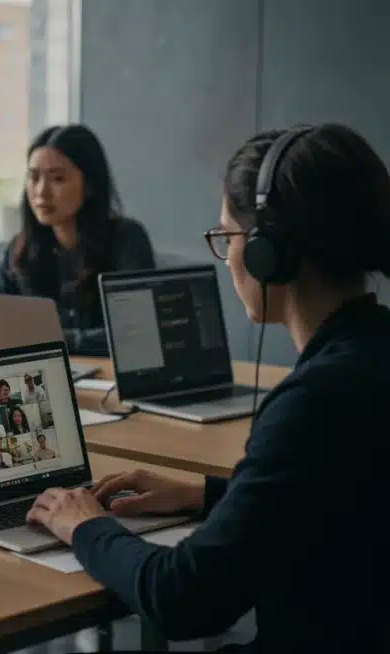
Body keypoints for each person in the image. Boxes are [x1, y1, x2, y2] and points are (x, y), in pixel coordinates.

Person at [25, 124, 390, 652]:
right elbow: (337, 497)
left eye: (227, 237)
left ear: (269, 252)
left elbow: (187, 597)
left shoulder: (314, 401)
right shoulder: (371, 353)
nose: (228, 258)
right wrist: (206, 495)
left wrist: (85, 526)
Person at [0, 124, 155, 356]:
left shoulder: (125, 240)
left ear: (90, 185)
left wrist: (53, 340)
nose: (41, 192)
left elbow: (132, 333)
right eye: (33, 177)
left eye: (58, 179)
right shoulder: (22, 247)